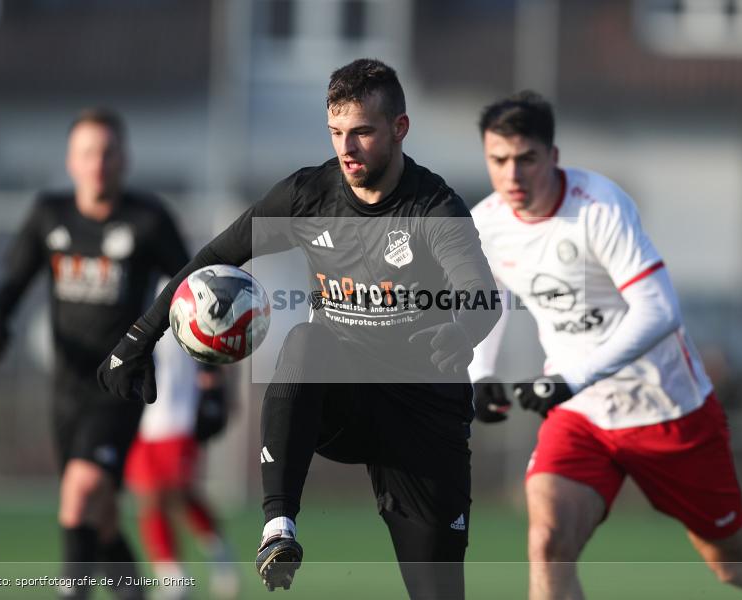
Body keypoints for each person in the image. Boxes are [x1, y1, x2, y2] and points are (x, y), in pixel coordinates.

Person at [97, 59, 500, 599]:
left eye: (362, 132)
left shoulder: (436, 207)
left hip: (423, 413)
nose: (347, 148)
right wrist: (139, 336)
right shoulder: (308, 195)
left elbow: (482, 296)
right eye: (336, 133)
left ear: (399, 129)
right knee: (306, 340)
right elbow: (220, 254)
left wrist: (460, 332)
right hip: (343, 399)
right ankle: (278, 527)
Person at [468, 91, 742, 600]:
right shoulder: (488, 222)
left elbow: (659, 310)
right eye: (499, 161)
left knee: (737, 564)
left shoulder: (600, 207)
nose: (512, 176)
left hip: (668, 411)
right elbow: (488, 293)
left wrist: (570, 378)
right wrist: (480, 373)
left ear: (553, 157)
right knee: (547, 542)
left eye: (526, 159)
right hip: (581, 417)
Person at [0, 108, 190, 599]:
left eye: (108, 152)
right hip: (66, 390)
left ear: (124, 159)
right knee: (103, 517)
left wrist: (212, 379)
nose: (99, 163)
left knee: (79, 493)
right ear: (71, 162)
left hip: (121, 385)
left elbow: (196, 292)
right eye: (88, 153)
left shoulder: (148, 221)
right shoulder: (50, 215)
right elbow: (14, 280)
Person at [124, 283, 238, 599]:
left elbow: (222, 334)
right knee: (150, 497)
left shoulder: (184, 287)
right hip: (142, 417)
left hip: (180, 411)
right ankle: (172, 575)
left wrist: (217, 388)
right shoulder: (132, 285)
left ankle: (219, 553)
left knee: (175, 494)